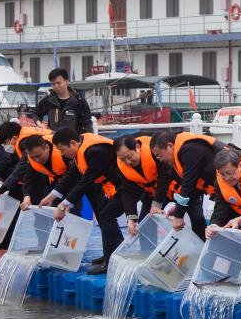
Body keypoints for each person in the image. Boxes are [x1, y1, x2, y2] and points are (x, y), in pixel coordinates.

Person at [49, 128, 125, 274]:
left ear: (72, 143)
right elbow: (72, 175)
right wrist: (51, 197)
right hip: (114, 186)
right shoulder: (80, 151)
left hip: (126, 186)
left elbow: (85, 181)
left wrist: (64, 204)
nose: (62, 154)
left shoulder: (95, 152)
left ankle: (111, 262)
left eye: (63, 150)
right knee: (105, 214)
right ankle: (111, 254)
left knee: (106, 216)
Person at [151, 130, 226, 240]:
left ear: (170, 146)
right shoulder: (182, 154)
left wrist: (178, 215)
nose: (160, 160)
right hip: (223, 194)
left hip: (232, 190)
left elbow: (188, 185)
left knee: (219, 230)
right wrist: (178, 208)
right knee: (215, 230)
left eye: (159, 156)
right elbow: (195, 188)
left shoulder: (189, 150)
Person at [114, 135, 170, 237]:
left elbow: (165, 177)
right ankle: (147, 252)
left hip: (173, 190)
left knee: (194, 217)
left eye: (129, 157)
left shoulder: (154, 151)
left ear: (137, 147)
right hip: (151, 193)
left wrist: (156, 205)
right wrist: (131, 218)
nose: (128, 162)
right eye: (123, 159)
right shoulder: (122, 166)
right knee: (144, 224)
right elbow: (127, 191)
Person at [35, 68, 93, 133]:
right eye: (53, 84)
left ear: (67, 82)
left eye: (58, 83)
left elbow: (87, 123)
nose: (56, 86)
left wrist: (89, 137)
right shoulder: (48, 101)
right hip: (53, 140)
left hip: (73, 141)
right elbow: (36, 114)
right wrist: (40, 124)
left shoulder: (79, 101)